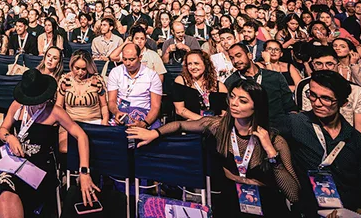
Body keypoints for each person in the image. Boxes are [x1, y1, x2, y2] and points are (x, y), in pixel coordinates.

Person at [128, 80, 300, 217]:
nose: (234, 103)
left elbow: (293, 194)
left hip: (267, 203)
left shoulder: (274, 140)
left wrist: (271, 153)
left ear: (256, 106)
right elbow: (180, 125)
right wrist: (155, 133)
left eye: (242, 100)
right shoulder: (219, 126)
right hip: (231, 200)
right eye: (232, 97)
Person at [0, 69, 101, 216]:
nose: (36, 105)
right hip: (17, 163)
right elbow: (2, 130)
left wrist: (84, 172)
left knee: (14, 193)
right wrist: (9, 137)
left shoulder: (55, 111)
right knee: (5, 190)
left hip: (42, 167)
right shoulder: (17, 106)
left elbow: (81, 136)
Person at [283, 70, 361, 217]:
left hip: (347, 212)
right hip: (308, 210)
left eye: (326, 99)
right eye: (313, 95)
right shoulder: (296, 123)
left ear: (343, 102)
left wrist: (356, 213)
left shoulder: (358, 142)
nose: (317, 103)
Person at [295, 46, 361, 140]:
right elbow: (305, 120)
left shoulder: (355, 90)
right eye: (319, 64)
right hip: (314, 139)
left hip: (348, 140)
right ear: (313, 65)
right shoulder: (305, 86)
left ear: (337, 64)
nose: (324, 68)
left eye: (329, 64)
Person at [223, 43, 297, 133]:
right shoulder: (231, 82)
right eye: (232, 58)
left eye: (239, 56)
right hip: (250, 132)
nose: (236, 61)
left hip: (279, 129)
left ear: (249, 55)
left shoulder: (274, 77)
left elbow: (290, 107)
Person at [55, 50, 109, 152]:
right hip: (70, 123)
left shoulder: (97, 80)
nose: (80, 72)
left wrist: (104, 125)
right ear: (71, 66)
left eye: (84, 69)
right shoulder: (65, 80)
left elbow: (104, 106)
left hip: (93, 123)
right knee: (66, 149)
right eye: (77, 68)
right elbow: (58, 105)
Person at [107, 43, 162, 129]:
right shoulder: (115, 72)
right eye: (125, 59)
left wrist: (144, 123)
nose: (128, 63)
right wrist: (116, 112)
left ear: (140, 58)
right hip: (121, 113)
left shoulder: (152, 75)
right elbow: (111, 101)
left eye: (132, 59)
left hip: (145, 114)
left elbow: (155, 106)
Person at [172, 49, 228, 120]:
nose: (192, 67)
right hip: (189, 125)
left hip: (214, 126)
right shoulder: (181, 81)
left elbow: (225, 113)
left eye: (196, 63)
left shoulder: (219, 87)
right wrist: (203, 121)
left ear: (206, 64)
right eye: (189, 64)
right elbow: (179, 110)